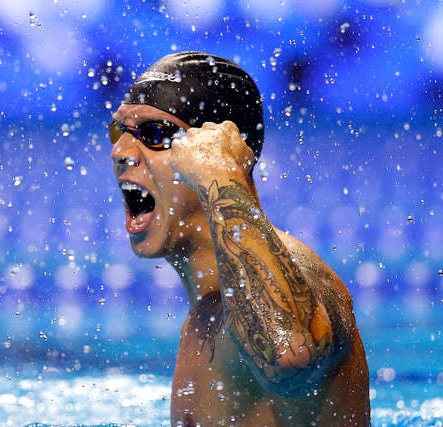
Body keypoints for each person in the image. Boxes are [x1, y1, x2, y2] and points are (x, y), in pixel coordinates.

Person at [108, 51, 370, 426]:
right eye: (120, 132)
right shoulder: (208, 313)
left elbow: (288, 355)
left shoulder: (300, 273)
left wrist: (220, 173)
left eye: (154, 134)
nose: (120, 152)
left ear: (215, 152)